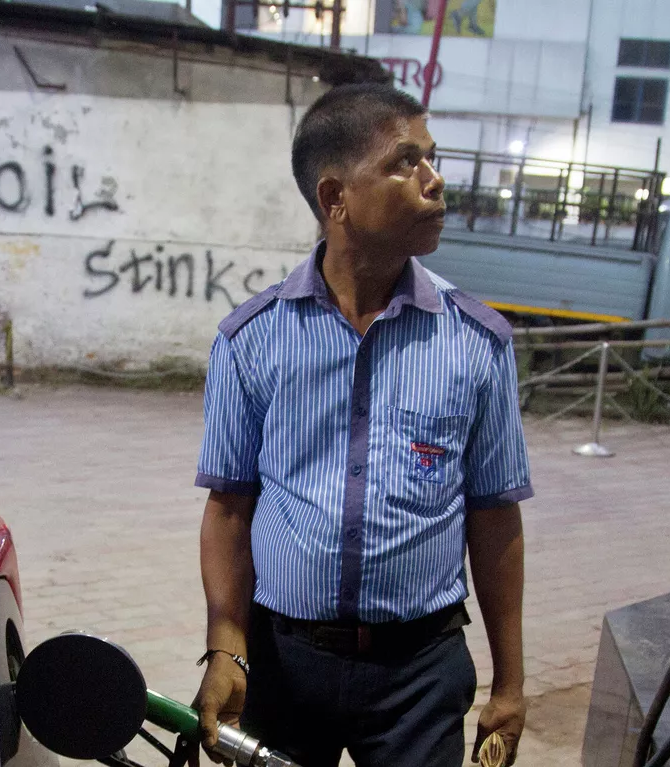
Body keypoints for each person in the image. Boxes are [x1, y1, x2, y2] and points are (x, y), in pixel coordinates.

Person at [191, 83, 531, 766]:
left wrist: (511, 680)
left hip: (421, 672)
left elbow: (494, 519)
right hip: (285, 665)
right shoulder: (249, 342)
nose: (435, 183)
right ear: (334, 197)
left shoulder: (476, 343)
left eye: (432, 160)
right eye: (407, 163)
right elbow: (229, 509)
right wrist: (227, 644)